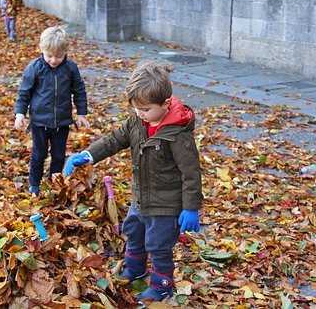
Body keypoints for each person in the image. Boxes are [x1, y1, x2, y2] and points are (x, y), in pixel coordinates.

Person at [63, 61, 202, 302]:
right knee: (134, 232)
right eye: (136, 108)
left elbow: (191, 173)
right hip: (141, 198)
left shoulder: (178, 136)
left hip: (166, 204)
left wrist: (191, 207)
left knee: (158, 245)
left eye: (146, 109)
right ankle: (135, 268)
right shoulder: (138, 122)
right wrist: (89, 154)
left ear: (166, 104)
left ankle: (162, 286)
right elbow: (114, 140)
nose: (140, 113)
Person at [14, 26, 89, 196]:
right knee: (38, 155)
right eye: (49, 56)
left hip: (61, 122)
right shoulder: (35, 68)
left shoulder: (70, 68)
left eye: (59, 56)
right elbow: (24, 92)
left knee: (58, 155)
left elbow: (79, 90)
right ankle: (34, 184)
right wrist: (20, 114)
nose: (54, 60)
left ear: (65, 52)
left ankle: (54, 182)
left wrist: (81, 112)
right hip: (40, 122)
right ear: (42, 50)